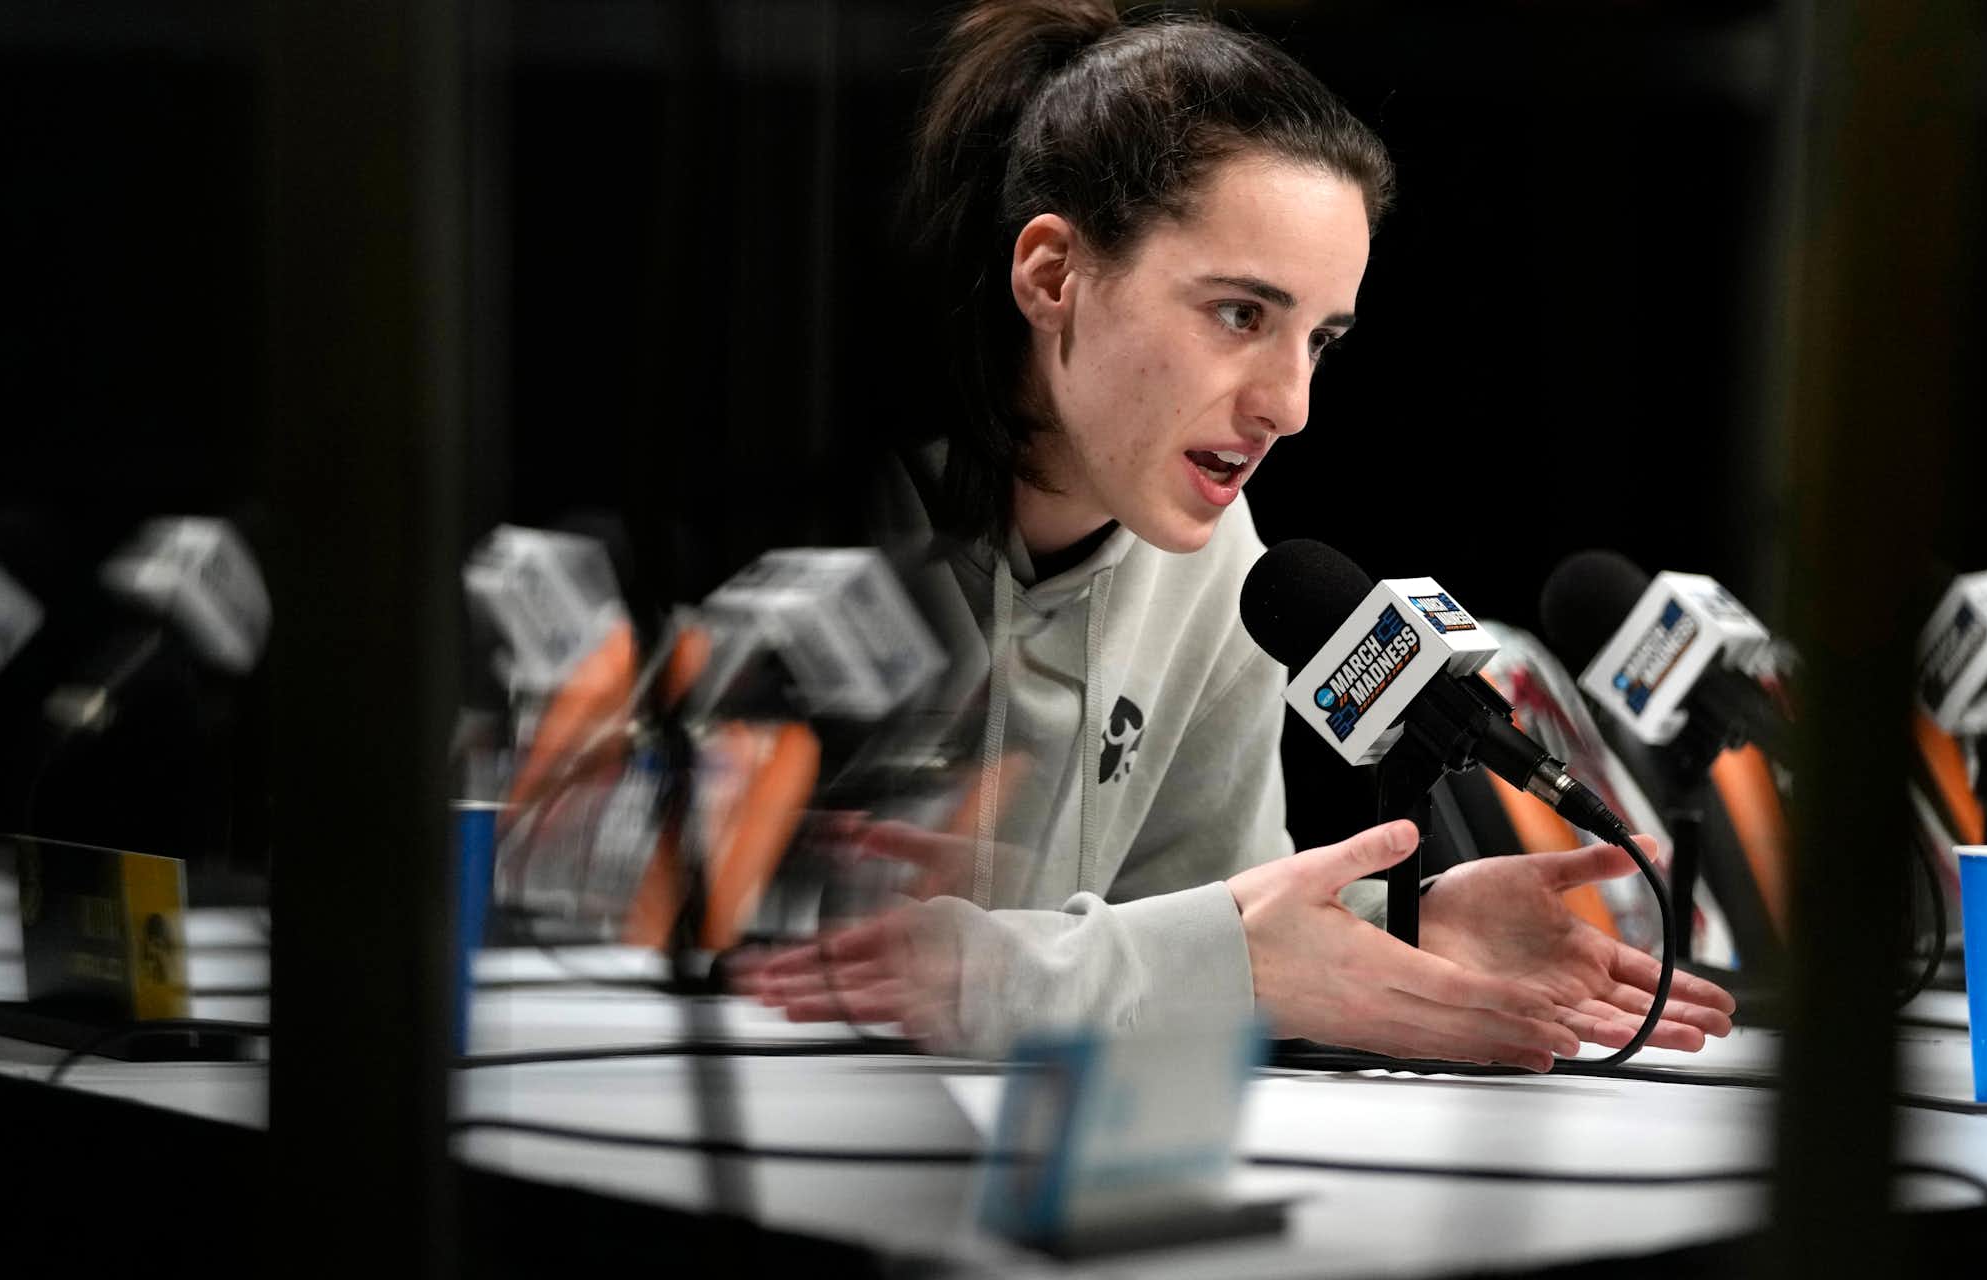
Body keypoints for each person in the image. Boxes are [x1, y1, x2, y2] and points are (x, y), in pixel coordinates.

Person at [731, 0, 1734, 1069]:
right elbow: (803, 962)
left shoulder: (1221, 562)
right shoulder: (825, 531)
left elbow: (1200, 921)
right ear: (1052, 275)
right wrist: (1229, 969)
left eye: (1320, 339)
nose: (1290, 407)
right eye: (1239, 315)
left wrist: (1402, 927)